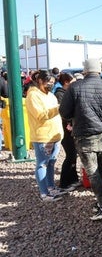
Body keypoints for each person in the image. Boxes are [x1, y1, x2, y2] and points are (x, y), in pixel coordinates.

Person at [59, 58, 102, 221]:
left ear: (85, 71)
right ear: (99, 71)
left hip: (84, 134)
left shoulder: (76, 87)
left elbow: (64, 111)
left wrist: (72, 119)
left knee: (92, 171)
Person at [25, 70, 65, 201]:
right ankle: (44, 193)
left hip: (55, 135)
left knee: (52, 163)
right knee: (42, 164)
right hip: (43, 136)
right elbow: (40, 115)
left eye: (53, 82)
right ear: (40, 81)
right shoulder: (33, 95)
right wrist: (58, 108)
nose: (51, 85)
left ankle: (51, 187)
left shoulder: (51, 95)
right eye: (48, 82)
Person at [54, 72, 81, 191]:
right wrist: (70, 122)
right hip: (65, 128)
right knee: (70, 155)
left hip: (69, 128)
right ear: (66, 82)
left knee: (73, 154)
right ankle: (64, 182)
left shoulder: (66, 93)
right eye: (72, 82)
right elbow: (63, 112)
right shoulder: (60, 94)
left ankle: (73, 179)